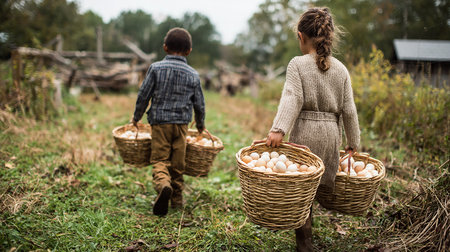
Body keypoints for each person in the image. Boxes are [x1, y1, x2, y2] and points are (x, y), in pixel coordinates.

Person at [265, 7, 360, 251]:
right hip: (330, 136)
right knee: (315, 186)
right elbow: (349, 110)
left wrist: (279, 129)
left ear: (301, 36)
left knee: (302, 189)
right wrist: (353, 142)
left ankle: (304, 241)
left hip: (305, 134)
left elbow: (292, 98)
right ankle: (308, 234)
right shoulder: (341, 69)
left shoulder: (297, 64)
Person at [132, 27, 205, 216]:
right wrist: (200, 124)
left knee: (159, 160)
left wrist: (136, 116)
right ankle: (177, 200)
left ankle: (164, 185)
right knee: (178, 163)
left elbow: (144, 94)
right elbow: (199, 103)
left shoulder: (156, 68)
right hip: (181, 125)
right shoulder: (193, 74)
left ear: (165, 47)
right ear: (189, 51)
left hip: (160, 123)